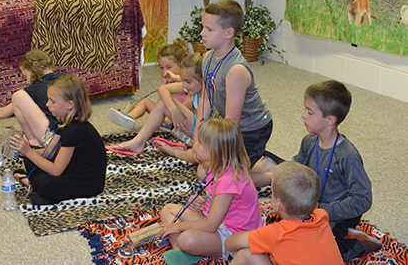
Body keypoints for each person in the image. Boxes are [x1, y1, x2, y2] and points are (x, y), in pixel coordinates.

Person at [252, 80, 381, 261]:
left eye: (310, 112)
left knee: (312, 254)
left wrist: (323, 209)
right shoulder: (309, 141)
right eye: (305, 110)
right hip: (310, 206)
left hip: (335, 215)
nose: (303, 115)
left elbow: (363, 199)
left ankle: (356, 244)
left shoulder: (347, 156)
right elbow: (296, 171)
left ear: (330, 120)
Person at [159, 119, 262, 265]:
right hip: (218, 223)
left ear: (216, 151)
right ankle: (180, 251)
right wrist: (197, 201)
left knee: (186, 238)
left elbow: (210, 225)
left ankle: (188, 247)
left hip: (234, 235)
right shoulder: (217, 166)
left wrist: (178, 227)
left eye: (200, 143)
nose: (194, 146)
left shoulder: (228, 180)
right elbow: (217, 202)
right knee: (168, 210)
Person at [195, 0, 273, 169]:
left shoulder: (236, 70)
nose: (202, 33)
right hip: (229, 127)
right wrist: (198, 140)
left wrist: (211, 149)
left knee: (217, 175)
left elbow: (231, 122)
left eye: (208, 29)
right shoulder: (207, 58)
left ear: (228, 33)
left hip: (252, 130)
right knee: (202, 163)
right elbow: (205, 100)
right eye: (203, 27)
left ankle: (271, 171)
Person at [9, 75, 107, 205]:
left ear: (70, 104)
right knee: (29, 160)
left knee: (44, 183)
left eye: (53, 101)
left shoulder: (75, 129)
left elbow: (56, 170)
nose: (47, 104)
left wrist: (29, 152)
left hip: (88, 185)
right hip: (72, 170)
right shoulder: (65, 121)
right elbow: (50, 152)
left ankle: (30, 184)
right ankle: (31, 182)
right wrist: (26, 151)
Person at [225, 161, 344, 265]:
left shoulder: (276, 233)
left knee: (247, 254)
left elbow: (229, 244)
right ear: (315, 204)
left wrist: (258, 234)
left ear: (278, 204)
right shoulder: (321, 216)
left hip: (266, 233)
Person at [108, 53, 203, 160]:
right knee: (162, 102)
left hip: (206, 135)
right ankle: (138, 141)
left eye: (188, 82)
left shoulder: (208, 94)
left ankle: (172, 150)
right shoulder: (192, 86)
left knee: (195, 157)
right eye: (183, 81)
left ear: (203, 80)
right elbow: (162, 90)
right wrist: (174, 111)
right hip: (196, 127)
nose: (184, 85)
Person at [0, 49, 66, 147]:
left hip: (51, 137)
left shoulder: (35, 88)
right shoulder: (66, 77)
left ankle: (33, 142)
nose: (26, 82)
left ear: (33, 69)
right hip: (70, 132)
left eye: (25, 76)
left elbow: (2, 114)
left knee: (18, 97)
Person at [107, 38, 189, 129]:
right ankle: (129, 117)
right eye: (161, 68)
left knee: (165, 101)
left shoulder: (186, 79)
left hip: (179, 114)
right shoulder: (166, 79)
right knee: (145, 102)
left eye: (169, 67)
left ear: (181, 65)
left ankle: (167, 123)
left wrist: (176, 79)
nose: (164, 71)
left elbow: (189, 85)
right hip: (164, 111)